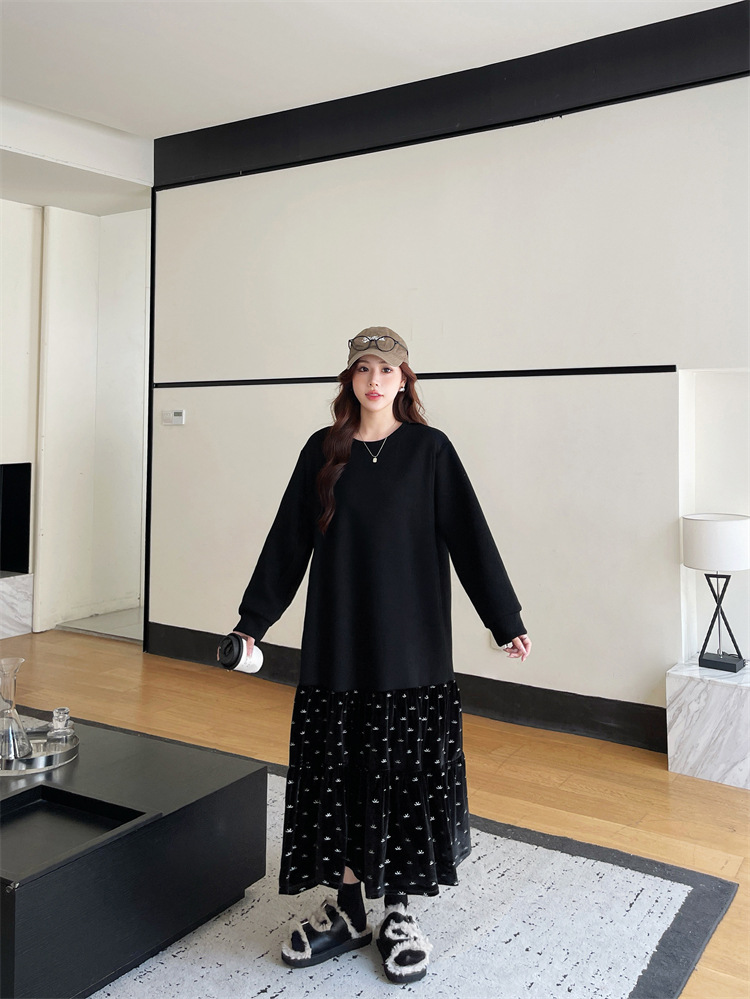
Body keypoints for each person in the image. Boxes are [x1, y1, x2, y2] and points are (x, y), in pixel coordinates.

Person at [231, 328, 530, 984]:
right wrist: (252, 625)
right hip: (337, 648)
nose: (374, 379)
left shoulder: (430, 450)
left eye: (386, 370)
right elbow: (286, 544)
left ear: (403, 380)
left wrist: (504, 619)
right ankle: (346, 910)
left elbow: (471, 537)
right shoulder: (323, 451)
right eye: (363, 368)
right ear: (350, 378)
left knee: (401, 774)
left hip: (411, 652)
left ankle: (397, 911)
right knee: (339, 774)